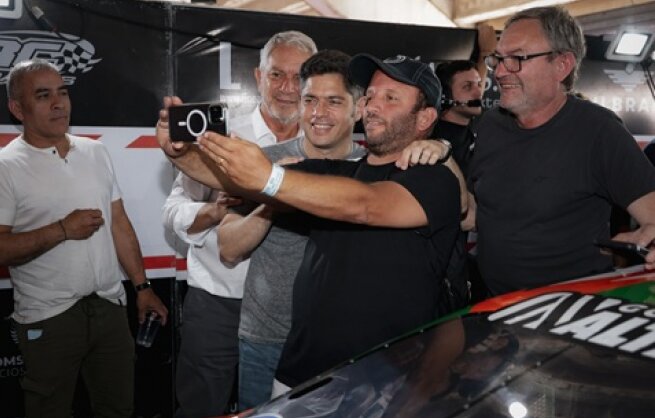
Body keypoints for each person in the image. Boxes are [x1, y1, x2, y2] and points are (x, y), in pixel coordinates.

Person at [176, 53, 465, 394]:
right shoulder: (339, 170)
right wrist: (179, 153)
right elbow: (232, 180)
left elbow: (364, 205)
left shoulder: (436, 180)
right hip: (298, 374)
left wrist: (270, 179)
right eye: (371, 96)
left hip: (384, 382)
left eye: (390, 98)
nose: (373, 106)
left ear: (425, 117)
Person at [0, 59, 168, 417]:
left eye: (62, 92)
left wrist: (142, 287)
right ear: (17, 108)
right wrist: (62, 230)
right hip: (48, 316)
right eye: (43, 96)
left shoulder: (94, 151)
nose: (58, 103)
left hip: (109, 305)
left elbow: (118, 222)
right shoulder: (6, 166)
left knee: (118, 409)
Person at [161, 30, 316, 418]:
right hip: (219, 303)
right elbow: (174, 211)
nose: (287, 88)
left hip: (290, 311)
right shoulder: (220, 137)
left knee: (279, 411)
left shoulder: (321, 142)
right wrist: (212, 213)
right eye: (277, 74)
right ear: (259, 77)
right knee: (201, 407)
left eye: (299, 77)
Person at [468, 6, 655, 296]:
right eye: (499, 59)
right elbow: (474, 209)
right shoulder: (490, 126)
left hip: (572, 310)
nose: (501, 71)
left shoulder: (599, 131)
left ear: (562, 65)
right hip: (493, 308)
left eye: (517, 58)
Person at [217, 49, 367, 409]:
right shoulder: (264, 162)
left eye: (333, 101)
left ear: (358, 109)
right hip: (268, 340)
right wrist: (276, 191)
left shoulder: (372, 169)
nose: (318, 113)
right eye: (310, 100)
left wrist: (438, 145)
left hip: (347, 343)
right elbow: (229, 248)